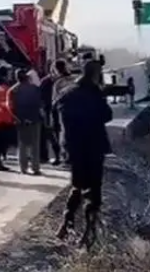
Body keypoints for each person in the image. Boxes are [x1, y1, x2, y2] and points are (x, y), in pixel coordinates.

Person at [54, 60, 113, 242]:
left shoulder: (66, 93)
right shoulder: (94, 94)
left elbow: (57, 117)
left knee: (77, 185)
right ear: (96, 74)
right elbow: (107, 115)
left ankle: (66, 221)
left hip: (73, 147)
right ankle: (89, 232)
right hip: (93, 147)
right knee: (94, 191)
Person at [8, 69, 44, 175]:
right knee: (35, 144)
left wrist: (17, 118)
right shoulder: (35, 89)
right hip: (35, 118)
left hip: (21, 120)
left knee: (22, 144)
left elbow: (10, 107)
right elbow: (40, 104)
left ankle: (23, 168)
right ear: (28, 77)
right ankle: (35, 167)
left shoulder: (12, 90)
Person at [51, 59, 77, 165]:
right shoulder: (74, 80)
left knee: (64, 134)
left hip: (64, 111)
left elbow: (54, 100)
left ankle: (67, 156)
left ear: (56, 70)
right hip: (76, 110)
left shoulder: (58, 83)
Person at [39, 69, 61, 166]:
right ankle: (54, 156)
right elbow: (41, 98)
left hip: (54, 111)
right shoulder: (47, 82)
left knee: (53, 134)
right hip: (50, 111)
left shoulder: (49, 81)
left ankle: (57, 156)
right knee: (50, 134)